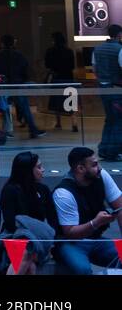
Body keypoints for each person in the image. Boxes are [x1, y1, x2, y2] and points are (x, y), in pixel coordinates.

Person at [52, 146, 122, 274]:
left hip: (96, 239)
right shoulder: (63, 193)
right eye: (94, 165)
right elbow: (70, 233)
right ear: (80, 168)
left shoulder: (101, 176)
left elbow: (120, 207)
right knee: (83, 270)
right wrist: (95, 223)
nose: (99, 168)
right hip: (69, 243)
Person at [0, 151, 58, 275]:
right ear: (27, 170)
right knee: (28, 260)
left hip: (39, 238)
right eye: (39, 167)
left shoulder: (43, 190)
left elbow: (53, 219)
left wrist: (51, 240)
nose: (43, 170)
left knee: (28, 253)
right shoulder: (10, 190)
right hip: (14, 236)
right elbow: (10, 223)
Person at [0, 34, 45, 139]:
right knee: (25, 108)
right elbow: (25, 71)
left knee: (5, 110)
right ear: (13, 43)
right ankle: (32, 129)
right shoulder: (19, 56)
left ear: (2, 43)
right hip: (18, 84)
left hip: (4, 85)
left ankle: (6, 131)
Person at [94, 24, 122, 160]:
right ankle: (113, 151)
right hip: (116, 89)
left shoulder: (97, 49)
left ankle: (103, 149)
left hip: (102, 88)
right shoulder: (120, 49)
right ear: (119, 35)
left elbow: (95, 69)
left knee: (110, 119)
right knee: (118, 120)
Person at [44, 32, 77, 131]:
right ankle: (74, 123)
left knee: (57, 100)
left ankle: (58, 123)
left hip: (56, 77)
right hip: (68, 77)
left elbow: (47, 65)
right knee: (71, 100)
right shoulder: (69, 51)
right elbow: (72, 66)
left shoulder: (50, 51)